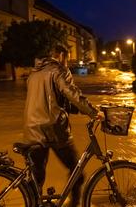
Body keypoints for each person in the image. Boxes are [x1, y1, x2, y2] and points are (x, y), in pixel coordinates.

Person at [23, 45, 99, 207]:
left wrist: (74, 109)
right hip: (54, 129)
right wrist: (93, 112)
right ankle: (74, 205)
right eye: (67, 56)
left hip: (32, 129)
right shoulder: (58, 70)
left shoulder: (33, 73)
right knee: (77, 173)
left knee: (36, 181)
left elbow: (49, 99)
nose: (67, 60)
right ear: (60, 55)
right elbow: (71, 93)